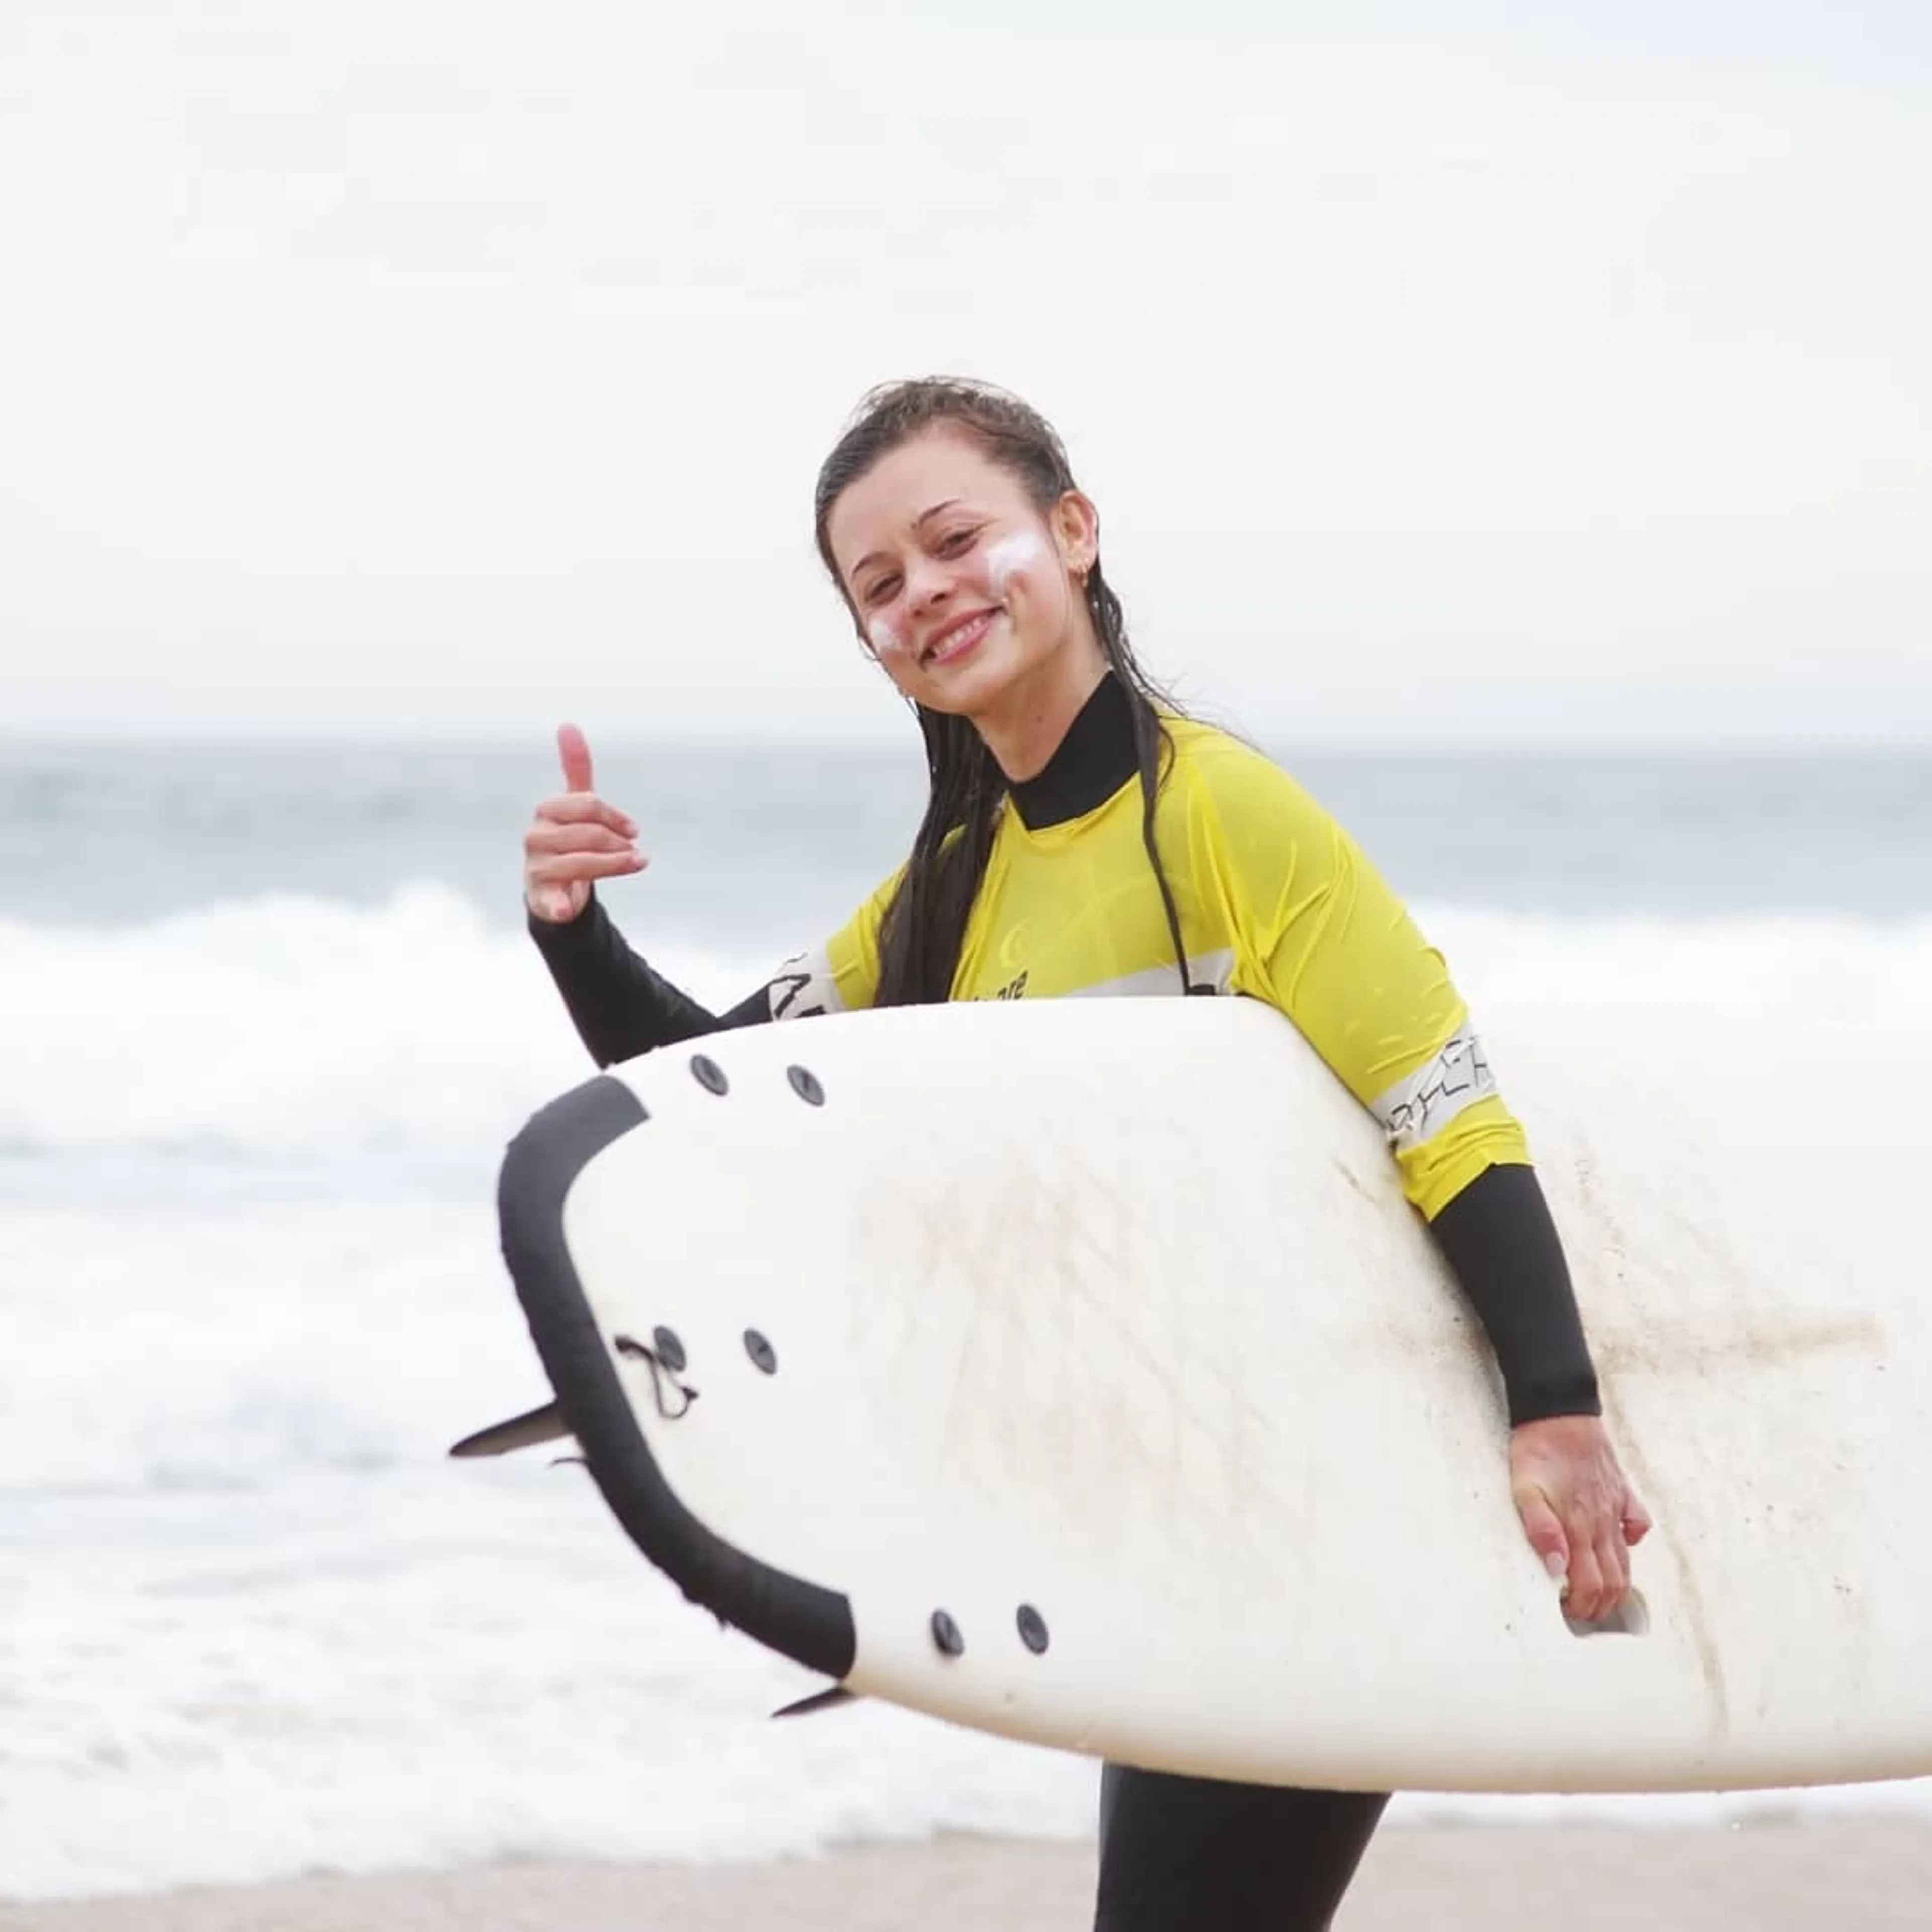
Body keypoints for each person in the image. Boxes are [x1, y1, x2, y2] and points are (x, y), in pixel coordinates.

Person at [519, 375, 1652, 1931]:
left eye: (954, 538)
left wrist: (1557, 1410)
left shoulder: (1225, 816)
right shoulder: (952, 882)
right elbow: (713, 1088)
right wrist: (572, 933)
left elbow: (1442, 1106)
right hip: (1157, 1527)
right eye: (880, 584)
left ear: (1070, 530)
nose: (928, 592)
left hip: (1307, 1515)